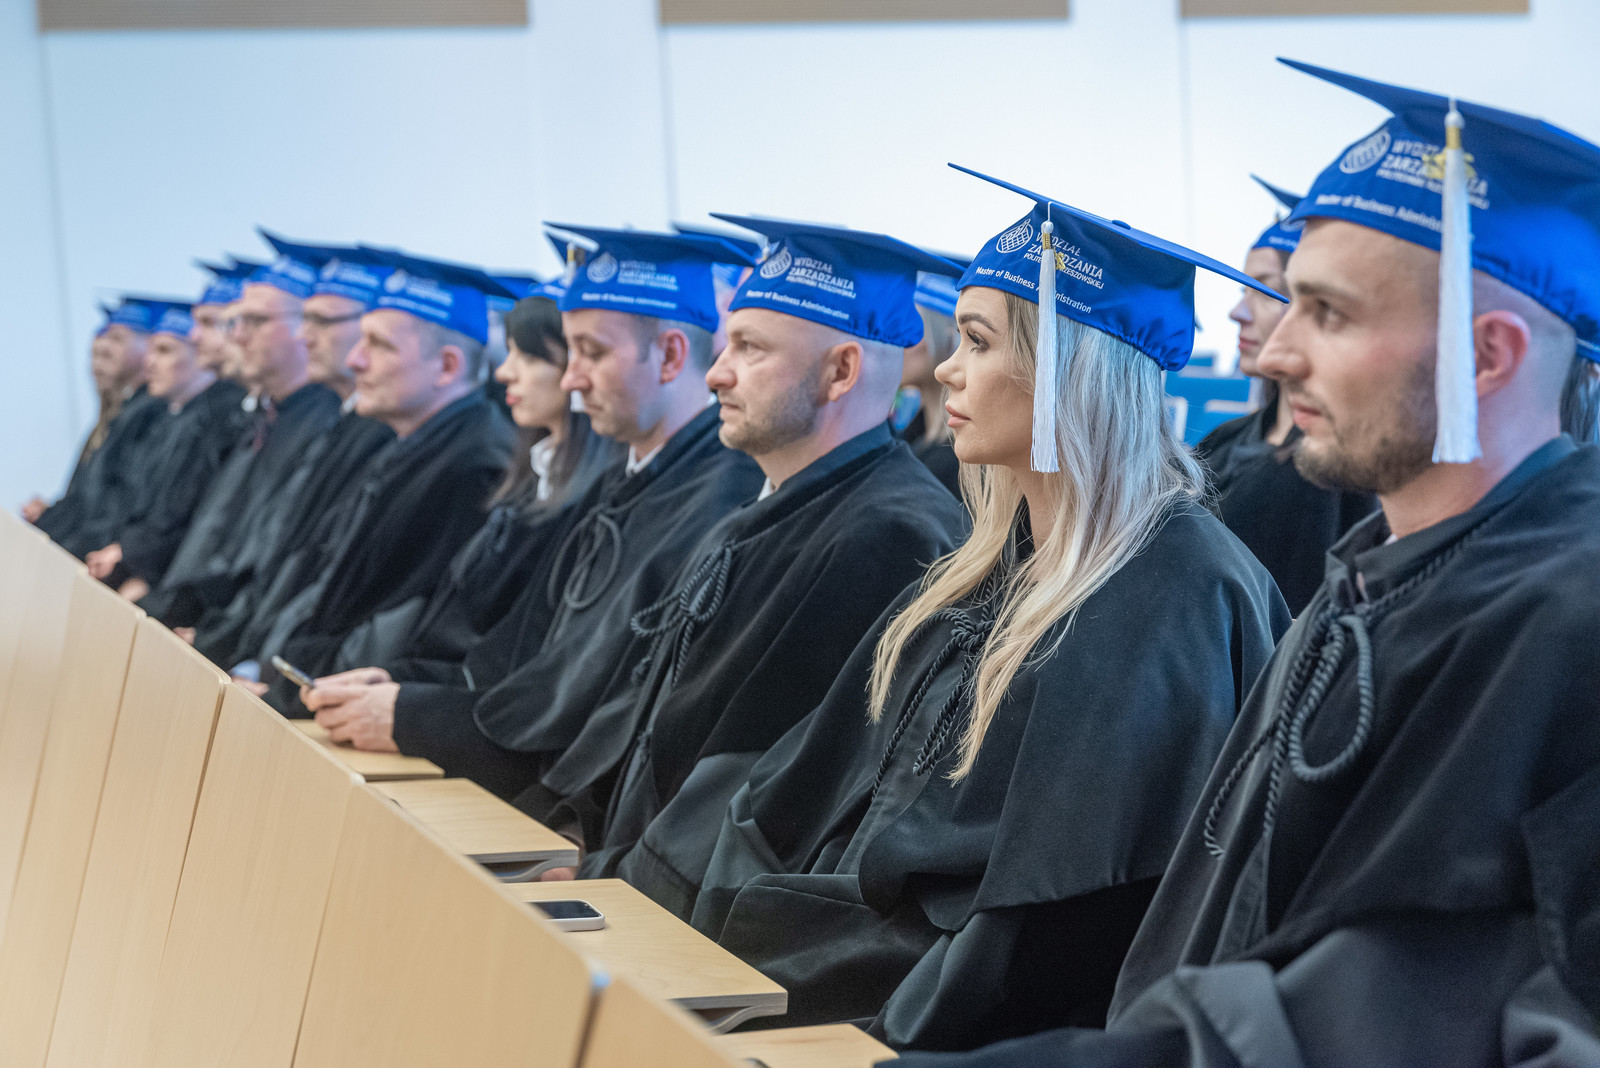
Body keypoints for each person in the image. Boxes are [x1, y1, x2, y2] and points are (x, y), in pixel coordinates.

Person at [892, 62, 1600, 1068]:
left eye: (1329, 314)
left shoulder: (1570, 628)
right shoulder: (1364, 592)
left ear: (1486, 356)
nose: (1270, 354)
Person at [689, 167, 1290, 1052]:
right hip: (854, 969)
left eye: (976, 340)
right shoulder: (981, 572)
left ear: (1067, 371)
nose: (943, 367)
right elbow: (801, 792)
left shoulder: (1174, 595)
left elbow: (1052, 933)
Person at [530, 218, 970, 914]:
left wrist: (608, 882)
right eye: (727, 343)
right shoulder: (765, 511)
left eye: (750, 348)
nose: (716, 374)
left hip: (685, 922)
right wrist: (578, 826)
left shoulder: (889, 538)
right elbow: (649, 712)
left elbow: (764, 785)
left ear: (841, 371)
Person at [300, 226, 764, 803]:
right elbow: (521, 655)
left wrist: (415, 714)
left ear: (670, 355)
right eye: (570, 352)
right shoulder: (625, 480)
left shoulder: (721, 499)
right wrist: (401, 684)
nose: (571, 379)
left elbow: (588, 711)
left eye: (592, 353)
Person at [252, 249, 516, 709]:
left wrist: (294, 692)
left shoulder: (477, 467)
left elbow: (404, 627)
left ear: (447, 366)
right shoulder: (406, 443)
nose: (356, 360)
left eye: (379, 345)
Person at [329, 287, 622, 679]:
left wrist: (407, 696)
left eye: (530, 357)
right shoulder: (530, 479)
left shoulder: (496, 468)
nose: (504, 372)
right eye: (511, 352)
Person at [187, 237, 397, 669]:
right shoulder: (328, 425)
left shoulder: (356, 431)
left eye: (319, 321)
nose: (305, 336)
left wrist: (263, 664)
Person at [1198, 177, 1376, 614]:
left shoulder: (1339, 468)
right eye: (1243, 289)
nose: (1238, 312)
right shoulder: (1222, 442)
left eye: (1265, 290)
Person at [136, 248, 342, 619]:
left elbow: (269, 555)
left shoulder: (323, 426)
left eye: (255, 321)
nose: (238, 336)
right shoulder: (268, 417)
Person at [84, 302, 245, 590]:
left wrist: (133, 558)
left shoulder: (220, 420)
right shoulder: (160, 419)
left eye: (164, 351)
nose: (150, 363)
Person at [30, 299, 166, 556]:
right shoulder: (113, 419)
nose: (98, 365)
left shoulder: (149, 414)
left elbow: (117, 499)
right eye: (96, 355)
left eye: (116, 340)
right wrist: (52, 517)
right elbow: (86, 496)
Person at [896, 270, 964, 497]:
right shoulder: (911, 438)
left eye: (912, 329)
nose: (899, 342)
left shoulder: (962, 463)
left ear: (945, 337)